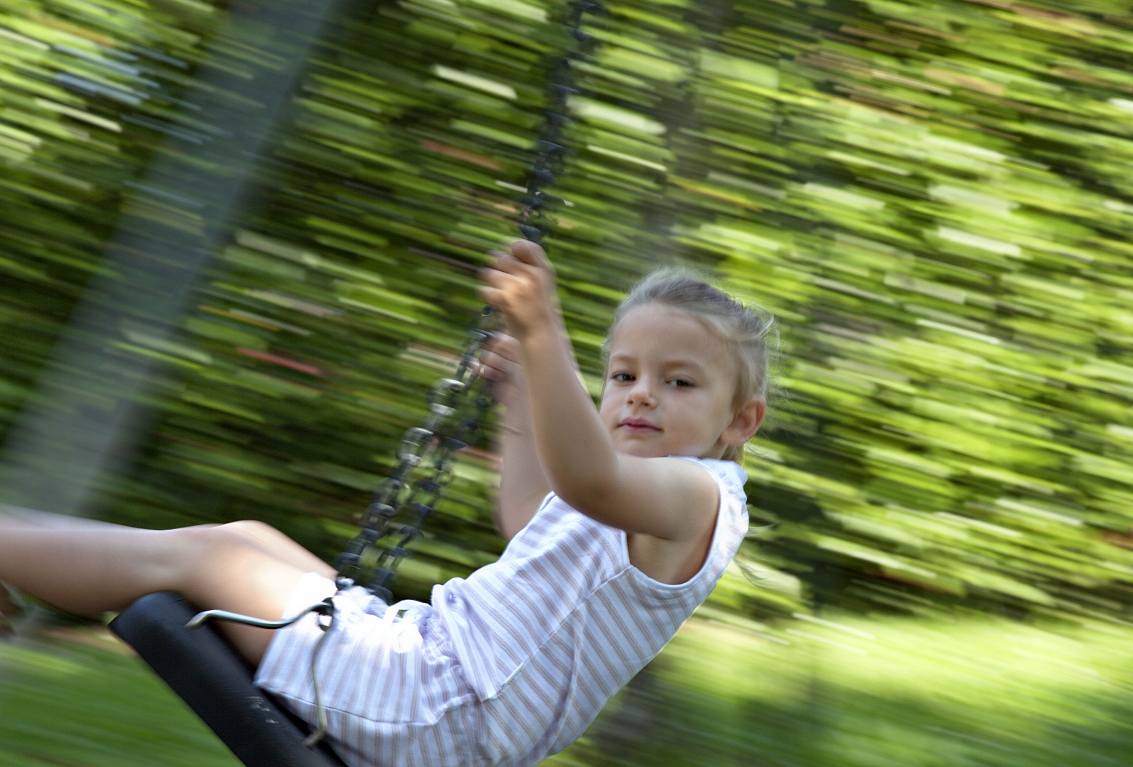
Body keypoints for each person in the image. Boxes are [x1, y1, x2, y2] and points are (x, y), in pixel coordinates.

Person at [0, 240, 771, 766]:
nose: (641, 395)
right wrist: (518, 398)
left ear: (739, 421)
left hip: (443, 710)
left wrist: (543, 330)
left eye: (679, 382)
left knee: (210, 558)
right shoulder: (645, 491)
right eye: (624, 374)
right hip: (439, 679)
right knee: (248, 537)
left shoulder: (698, 495)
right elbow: (535, 518)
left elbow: (588, 481)